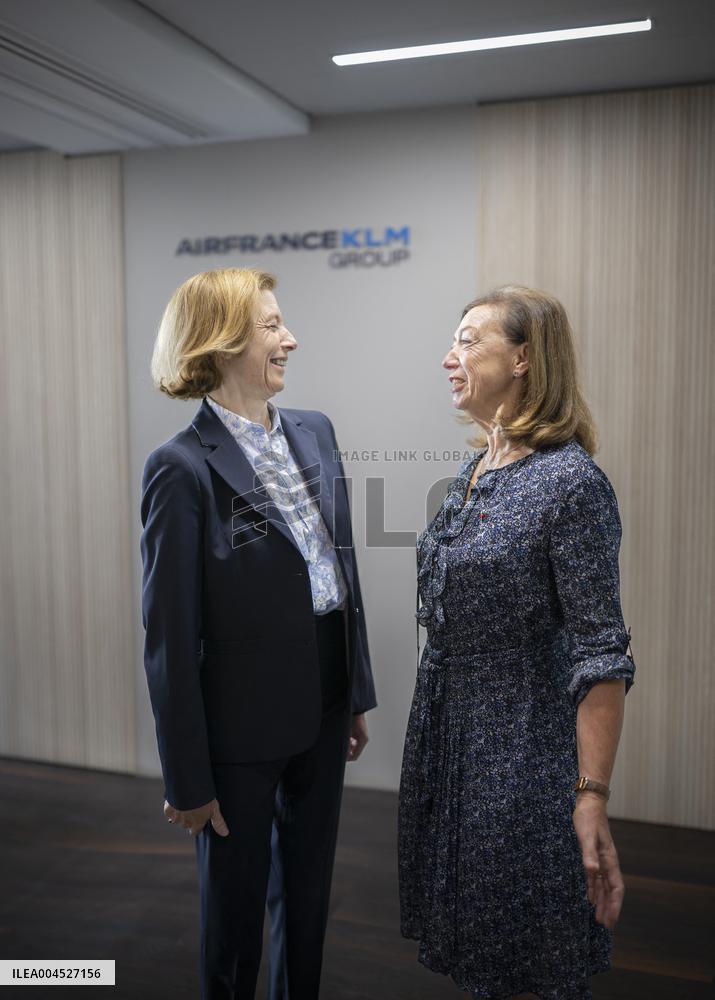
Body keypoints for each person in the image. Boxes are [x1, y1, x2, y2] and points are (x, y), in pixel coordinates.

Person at [139, 266, 376, 1000]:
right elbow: (168, 636)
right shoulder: (179, 468)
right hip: (237, 730)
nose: (290, 339)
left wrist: (354, 691)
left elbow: (340, 572)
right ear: (220, 343)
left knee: (307, 899)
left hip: (325, 702)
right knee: (235, 917)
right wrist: (186, 777)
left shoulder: (315, 430)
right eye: (271, 326)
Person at [398, 285, 636, 1000]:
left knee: (531, 950)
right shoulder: (476, 470)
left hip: (521, 753)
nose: (450, 357)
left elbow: (601, 653)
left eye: (469, 341)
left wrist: (590, 797)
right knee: (480, 950)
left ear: (525, 359)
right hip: (452, 739)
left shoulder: (570, 484)